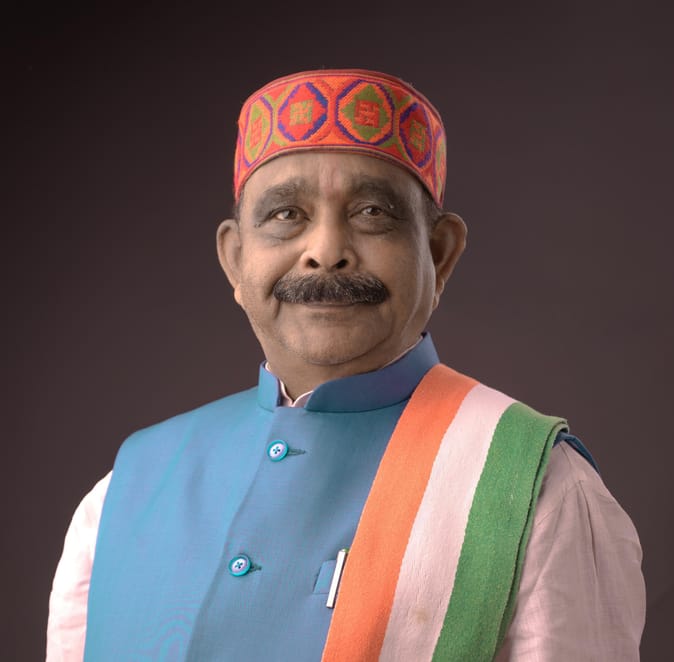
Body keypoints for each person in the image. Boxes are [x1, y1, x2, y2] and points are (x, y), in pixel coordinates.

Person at [47, 69, 646, 661]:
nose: (326, 251)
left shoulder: (535, 487)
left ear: (439, 254)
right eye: (286, 215)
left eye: (372, 213)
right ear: (235, 259)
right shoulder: (124, 491)